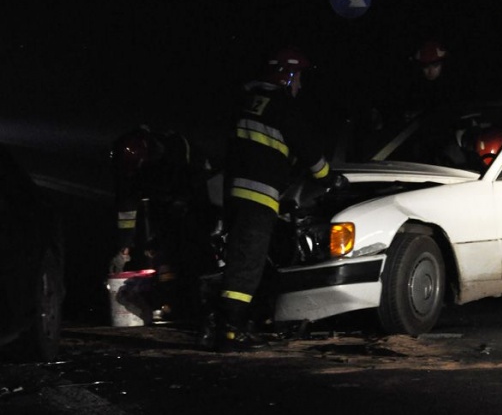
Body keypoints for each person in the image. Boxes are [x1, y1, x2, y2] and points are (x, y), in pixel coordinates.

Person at [213, 46, 344, 352]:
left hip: (234, 194)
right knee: (247, 264)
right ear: (286, 77)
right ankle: (229, 332)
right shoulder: (284, 106)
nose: (300, 84)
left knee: (241, 259)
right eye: (298, 77)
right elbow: (308, 150)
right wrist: (329, 178)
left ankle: (238, 323)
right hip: (259, 198)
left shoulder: (247, 101)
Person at [110, 125, 218, 322]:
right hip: (167, 206)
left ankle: (202, 307)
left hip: (195, 201)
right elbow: (126, 209)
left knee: (193, 253)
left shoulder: (175, 149)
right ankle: (175, 304)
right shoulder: (129, 169)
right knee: (164, 253)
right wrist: (123, 247)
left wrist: (182, 205)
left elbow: (196, 183)